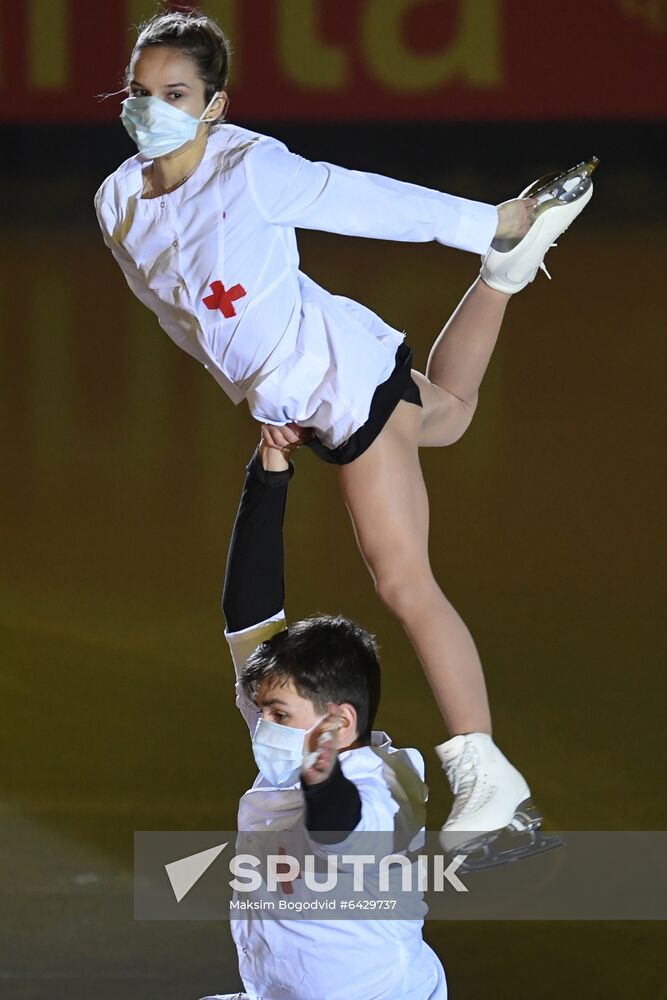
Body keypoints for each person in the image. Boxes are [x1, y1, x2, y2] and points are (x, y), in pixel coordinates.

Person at [94, 9, 594, 846]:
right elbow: (177, 316)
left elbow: (363, 199)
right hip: (302, 383)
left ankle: (486, 773)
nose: (153, 108)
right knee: (448, 419)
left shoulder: (251, 166)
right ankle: (501, 281)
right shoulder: (117, 201)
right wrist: (249, 395)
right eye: (140, 92)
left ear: (213, 104)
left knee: (402, 581)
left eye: (175, 94)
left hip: (340, 385)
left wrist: (487, 220)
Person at [204, 440, 446, 1000]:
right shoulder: (296, 737)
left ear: (338, 723)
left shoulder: (381, 787)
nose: (263, 724)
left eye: (277, 713)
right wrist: (269, 473)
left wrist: (323, 780)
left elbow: (342, 827)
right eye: (264, 710)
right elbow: (249, 613)